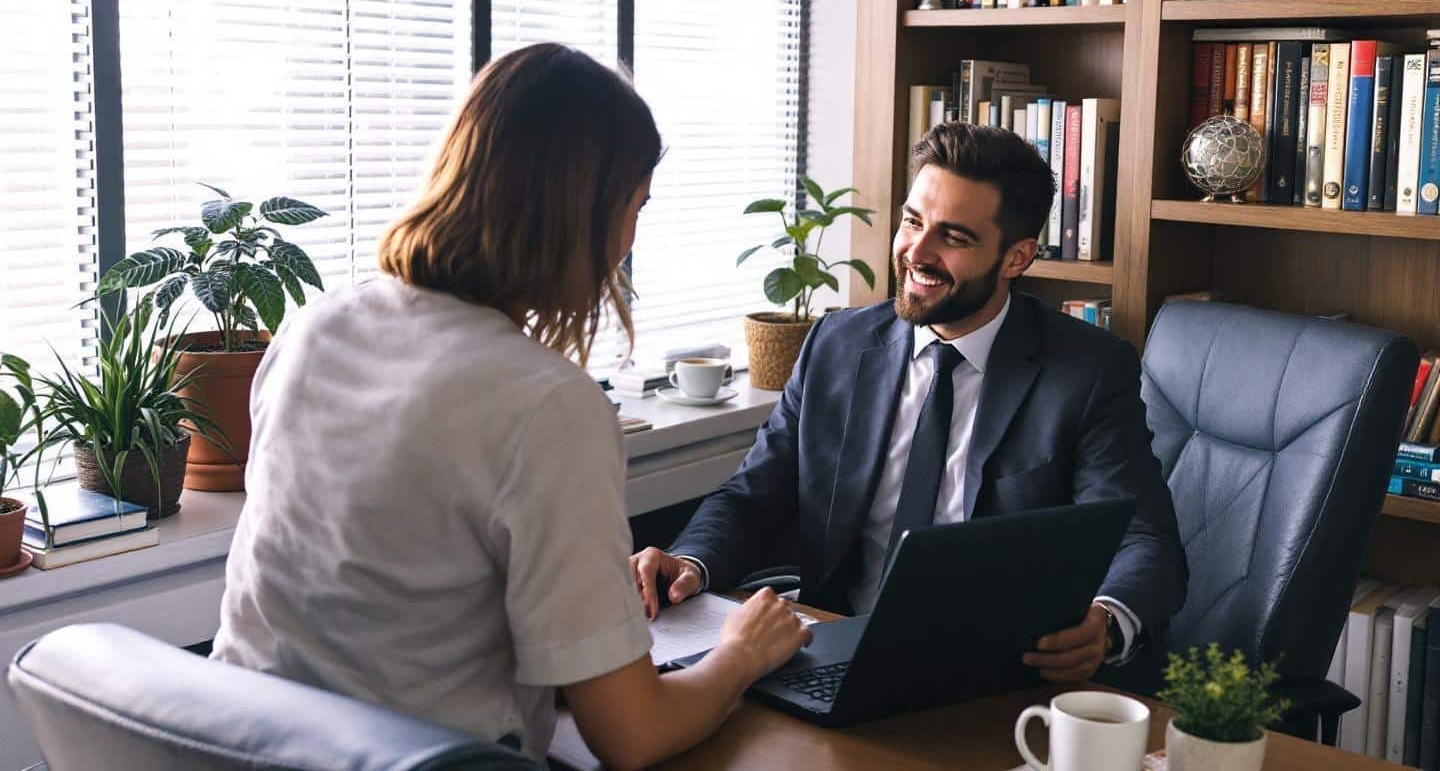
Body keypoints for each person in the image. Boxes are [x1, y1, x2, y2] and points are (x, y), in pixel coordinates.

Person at [211, 43, 810, 769]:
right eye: (636, 205)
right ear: (581, 212)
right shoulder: (546, 405)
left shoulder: (316, 327)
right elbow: (634, 736)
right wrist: (742, 654)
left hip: (249, 749)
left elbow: (381, 594)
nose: (629, 240)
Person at [632, 121, 1188, 693]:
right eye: (912, 221)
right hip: (831, 647)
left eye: (954, 237)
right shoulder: (835, 346)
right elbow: (756, 493)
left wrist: (1106, 620)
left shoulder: (1088, 371)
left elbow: (1143, 539)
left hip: (995, 677)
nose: (916, 253)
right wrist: (690, 563)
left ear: (1017, 257)